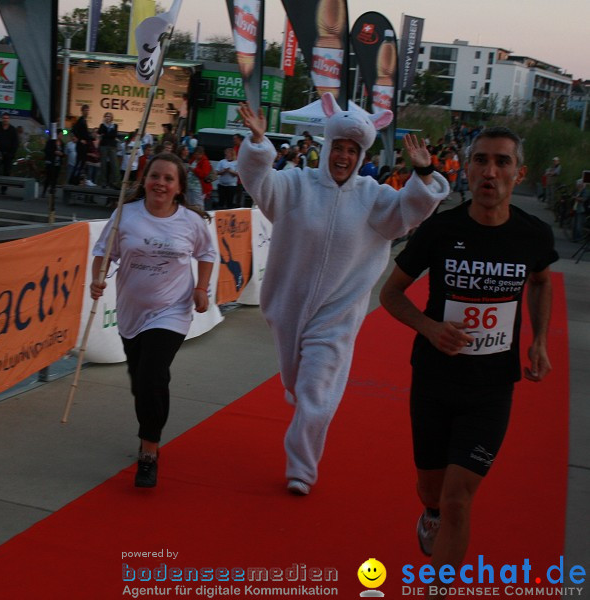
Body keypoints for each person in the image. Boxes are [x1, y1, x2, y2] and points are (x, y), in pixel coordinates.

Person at [236, 94, 450, 496]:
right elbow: (259, 183)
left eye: (353, 150)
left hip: (337, 315)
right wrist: (260, 147)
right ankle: (298, 392)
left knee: (316, 391)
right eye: (339, 147)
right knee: (299, 382)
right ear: (326, 147)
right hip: (289, 305)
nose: (344, 156)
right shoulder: (296, 185)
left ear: (361, 154)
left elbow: (411, 210)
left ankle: (301, 469)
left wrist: (424, 174)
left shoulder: (374, 196)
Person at [379, 127, 558, 598]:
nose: (490, 171)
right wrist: (430, 327)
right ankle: (429, 514)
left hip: (491, 388)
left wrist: (538, 340)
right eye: (480, 160)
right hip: (435, 383)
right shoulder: (441, 229)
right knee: (432, 492)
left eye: (502, 162)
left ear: (518, 174)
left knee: (460, 500)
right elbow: (390, 294)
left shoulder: (532, 234)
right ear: (469, 167)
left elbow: (540, 281)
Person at [89, 152, 217, 488]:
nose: (160, 183)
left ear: (178, 188)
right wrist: (97, 279)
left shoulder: (190, 221)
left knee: (153, 376)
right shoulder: (125, 215)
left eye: (168, 179)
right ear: (144, 180)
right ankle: (150, 426)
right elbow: (103, 252)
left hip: (172, 310)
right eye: (154, 176)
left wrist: (202, 288)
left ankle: (149, 452)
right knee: (139, 379)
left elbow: (207, 253)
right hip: (132, 312)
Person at [0, 113, 19, 194]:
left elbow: (15, 143)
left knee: (6, 172)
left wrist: (12, 154)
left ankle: (3, 190)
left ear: (9, 119)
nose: (5, 119)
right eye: (4, 118)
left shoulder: (13, 130)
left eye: (7, 118)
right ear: (2, 119)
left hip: (8, 154)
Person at [70, 104, 93, 184]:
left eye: (88, 110)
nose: (87, 112)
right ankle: (73, 179)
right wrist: (79, 140)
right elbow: (74, 130)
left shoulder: (83, 120)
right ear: (82, 111)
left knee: (81, 162)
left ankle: (75, 179)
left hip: (83, 144)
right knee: (80, 162)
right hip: (81, 145)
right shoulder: (81, 120)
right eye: (86, 110)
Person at [97, 111, 120, 189]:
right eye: (106, 116)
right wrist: (107, 132)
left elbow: (114, 135)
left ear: (111, 118)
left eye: (109, 116)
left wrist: (105, 134)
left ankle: (116, 182)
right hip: (103, 146)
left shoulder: (115, 125)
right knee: (103, 165)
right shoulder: (102, 125)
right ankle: (103, 182)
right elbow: (99, 132)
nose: (107, 117)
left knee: (114, 165)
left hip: (112, 146)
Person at [42, 133, 65, 197]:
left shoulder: (62, 143)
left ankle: (52, 192)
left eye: (62, 135)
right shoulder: (51, 142)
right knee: (48, 177)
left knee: (55, 178)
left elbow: (63, 153)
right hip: (51, 162)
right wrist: (54, 152)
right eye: (60, 134)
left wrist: (61, 154)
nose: (61, 136)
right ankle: (44, 191)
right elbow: (46, 150)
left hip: (58, 163)